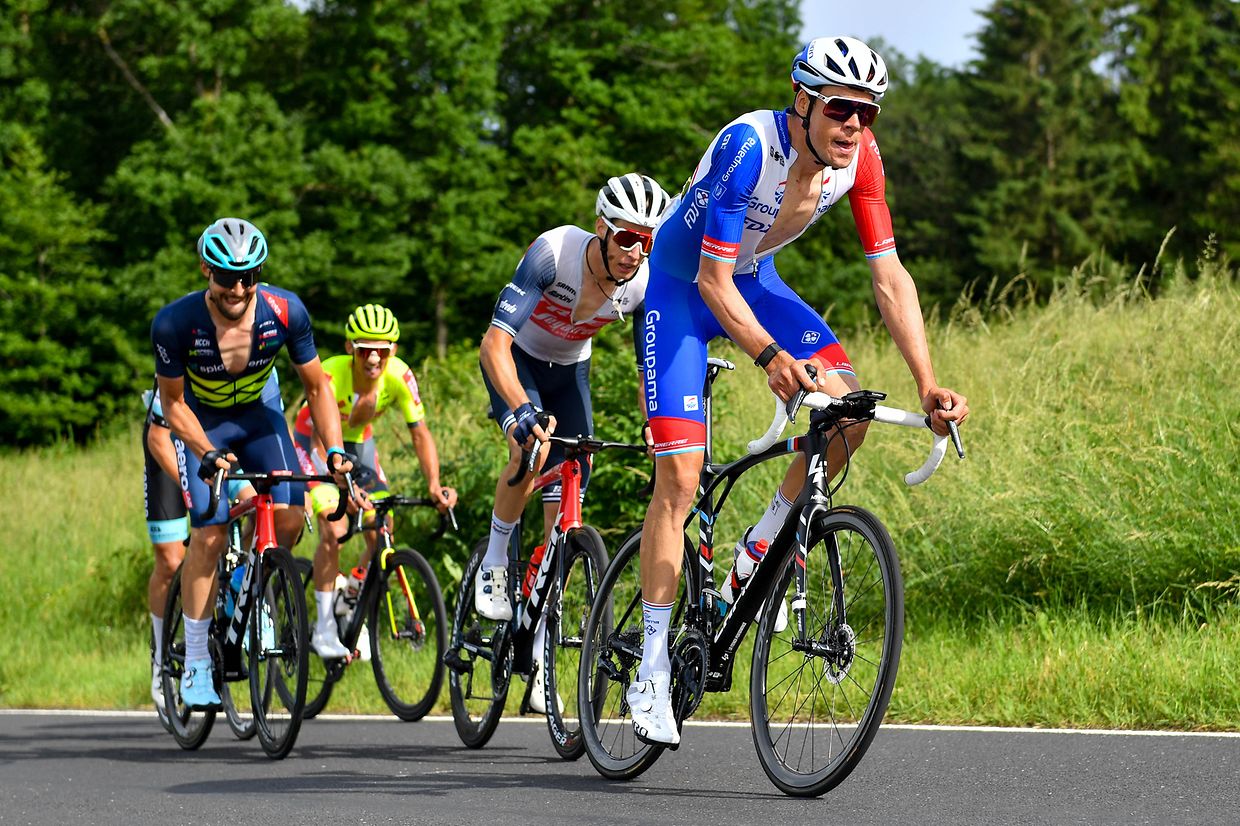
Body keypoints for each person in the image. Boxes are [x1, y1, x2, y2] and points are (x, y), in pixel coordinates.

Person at [630, 37, 971, 746]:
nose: (854, 124)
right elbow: (709, 281)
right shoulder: (749, 149)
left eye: (867, 112)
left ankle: (758, 545)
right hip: (681, 288)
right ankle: (651, 664)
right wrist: (769, 357)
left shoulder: (862, 160)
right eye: (841, 107)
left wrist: (929, 382)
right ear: (803, 100)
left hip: (755, 281)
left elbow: (890, 278)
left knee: (850, 412)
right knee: (680, 478)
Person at [477, 173, 670, 712]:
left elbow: (645, 369)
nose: (637, 251)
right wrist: (519, 409)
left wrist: (657, 425)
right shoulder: (552, 253)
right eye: (627, 237)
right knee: (530, 448)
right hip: (519, 363)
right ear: (600, 229)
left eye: (648, 240)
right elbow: (493, 346)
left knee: (570, 492)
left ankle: (539, 645)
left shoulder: (640, 283)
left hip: (569, 371)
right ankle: (495, 559)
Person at [150, 217, 352, 710]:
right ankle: (197, 659)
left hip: (262, 421)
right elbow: (173, 405)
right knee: (212, 535)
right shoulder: (175, 323)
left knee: (288, 514)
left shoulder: (286, 311)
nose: (238, 287)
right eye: (225, 276)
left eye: (249, 275)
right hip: (204, 423)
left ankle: (255, 580)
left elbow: (318, 386)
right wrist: (206, 452)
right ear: (205, 270)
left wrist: (334, 449)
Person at [292, 303, 458, 660]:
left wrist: (434, 483)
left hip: (359, 445)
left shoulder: (399, 375)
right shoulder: (331, 373)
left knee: (382, 525)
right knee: (333, 529)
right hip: (314, 444)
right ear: (351, 347)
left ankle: (352, 591)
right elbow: (320, 438)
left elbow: (420, 433)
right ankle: (322, 627)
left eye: (381, 350)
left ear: (392, 351)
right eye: (365, 348)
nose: (372, 358)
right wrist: (342, 488)